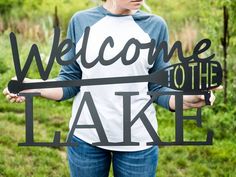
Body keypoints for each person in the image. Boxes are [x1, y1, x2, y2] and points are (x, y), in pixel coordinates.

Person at [3, 0, 222, 176]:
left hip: (139, 144)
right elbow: (69, 81)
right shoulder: (81, 21)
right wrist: (32, 86)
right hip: (85, 140)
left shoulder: (155, 26)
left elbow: (157, 87)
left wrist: (183, 100)